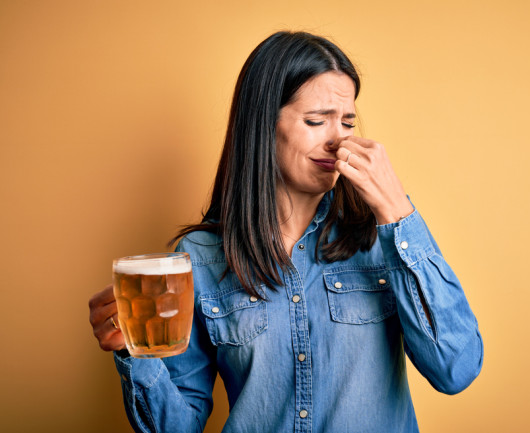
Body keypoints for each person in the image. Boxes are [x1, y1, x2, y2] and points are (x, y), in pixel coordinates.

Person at [89, 31, 483, 433]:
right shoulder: (200, 257)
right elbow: (176, 428)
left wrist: (396, 209)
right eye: (316, 120)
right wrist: (135, 355)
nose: (338, 139)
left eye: (346, 121)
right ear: (262, 125)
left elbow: (456, 368)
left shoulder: (383, 238)